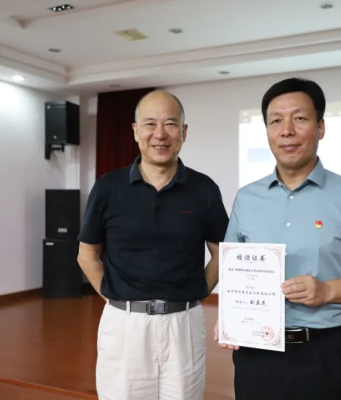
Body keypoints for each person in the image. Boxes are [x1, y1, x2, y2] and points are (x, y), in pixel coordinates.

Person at [216, 78, 341, 399]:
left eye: (299, 118)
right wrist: (230, 317)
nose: (287, 130)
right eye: (276, 121)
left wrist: (327, 291)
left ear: (320, 127)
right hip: (256, 353)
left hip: (323, 353)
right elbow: (234, 271)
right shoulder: (247, 198)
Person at [77, 90, 229, 400]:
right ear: (135, 131)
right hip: (124, 325)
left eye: (170, 124)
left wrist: (199, 290)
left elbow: (222, 253)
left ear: (184, 132)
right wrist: (115, 295)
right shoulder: (108, 187)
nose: (160, 134)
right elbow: (87, 254)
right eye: (150, 124)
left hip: (184, 323)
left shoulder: (204, 188)